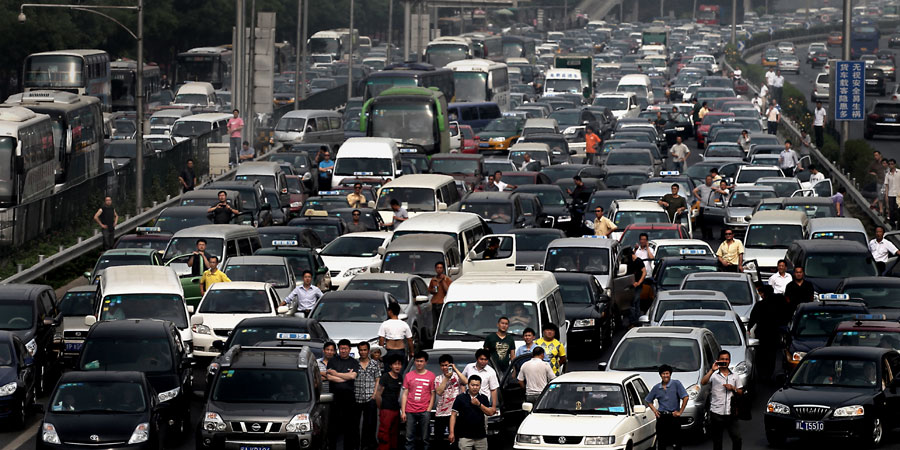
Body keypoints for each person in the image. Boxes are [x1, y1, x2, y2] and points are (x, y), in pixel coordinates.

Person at [701, 350, 744, 450]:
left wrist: (733, 388)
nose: (725, 361)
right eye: (722, 359)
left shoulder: (735, 376)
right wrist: (712, 370)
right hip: (716, 412)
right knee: (717, 441)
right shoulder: (713, 375)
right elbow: (703, 382)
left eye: (727, 359)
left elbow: (741, 391)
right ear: (718, 360)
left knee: (737, 438)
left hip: (731, 413)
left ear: (729, 361)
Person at [748, 285, 790, 383]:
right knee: (771, 355)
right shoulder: (779, 304)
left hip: (762, 334)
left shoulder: (760, 305)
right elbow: (786, 315)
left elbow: (753, 317)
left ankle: (763, 373)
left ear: (764, 294)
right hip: (774, 333)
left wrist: (749, 328)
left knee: (761, 354)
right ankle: (769, 373)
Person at [327, 339, 361, 450]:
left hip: (349, 398)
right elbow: (329, 377)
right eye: (341, 348)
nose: (343, 351)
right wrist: (345, 377)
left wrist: (336, 373)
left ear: (349, 349)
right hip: (335, 397)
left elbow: (353, 376)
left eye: (345, 348)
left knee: (349, 426)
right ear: (338, 349)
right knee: (334, 425)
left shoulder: (354, 362)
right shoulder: (332, 361)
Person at [645, 364, 689, 450]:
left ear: (670, 374)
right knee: (661, 442)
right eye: (663, 374)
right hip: (662, 417)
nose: (665, 375)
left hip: (673, 416)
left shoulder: (676, 384)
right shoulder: (657, 387)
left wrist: (680, 412)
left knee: (676, 442)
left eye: (667, 373)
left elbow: (685, 397)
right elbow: (648, 400)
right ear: (660, 375)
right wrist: (655, 410)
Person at [449, 375, 495, 450]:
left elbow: (489, 413)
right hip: (464, 436)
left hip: (481, 436)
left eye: (477, 385)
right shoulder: (460, 398)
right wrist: (451, 432)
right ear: (468, 385)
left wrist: (479, 404)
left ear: (480, 386)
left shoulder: (483, 398)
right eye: (472, 385)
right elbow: (453, 415)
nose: (475, 387)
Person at [401, 351, 435, 450]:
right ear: (414, 362)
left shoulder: (431, 376)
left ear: (425, 362)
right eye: (417, 361)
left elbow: (433, 394)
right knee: (409, 437)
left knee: (425, 437)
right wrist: (403, 411)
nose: (419, 363)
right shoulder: (408, 376)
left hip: (424, 410)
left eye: (421, 361)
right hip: (410, 410)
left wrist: (429, 409)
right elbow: (405, 394)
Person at [434, 355, 467, 450]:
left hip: (455, 412)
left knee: (455, 438)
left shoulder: (457, 376)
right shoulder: (438, 378)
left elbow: (465, 381)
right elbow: (439, 392)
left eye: (447, 365)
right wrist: (446, 378)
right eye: (442, 365)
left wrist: (455, 369)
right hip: (441, 412)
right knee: (438, 438)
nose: (445, 367)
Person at [354, 341, 382, 450]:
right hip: (357, 397)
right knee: (355, 424)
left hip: (370, 397)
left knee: (370, 423)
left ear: (368, 351)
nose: (363, 352)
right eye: (361, 350)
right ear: (358, 351)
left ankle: (368, 445)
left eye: (365, 350)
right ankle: (357, 445)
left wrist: (375, 394)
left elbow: (377, 379)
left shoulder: (374, 364)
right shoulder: (355, 363)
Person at [375, 354, 404, 450]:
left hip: (396, 409)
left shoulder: (400, 377)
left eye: (399, 364)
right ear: (391, 365)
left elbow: (399, 394)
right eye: (395, 364)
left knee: (394, 433)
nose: (397, 366)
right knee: (384, 433)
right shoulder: (385, 377)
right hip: (386, 409)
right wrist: (381, 408)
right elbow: (378, 394)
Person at [379, 302, 415, 368]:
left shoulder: (385, 324)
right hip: (401, 350)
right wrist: (411, 352)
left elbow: (381, 339)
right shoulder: (404, 324)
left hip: (389, 351)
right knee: (401, 370)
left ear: (390, 311)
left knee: (389, 370)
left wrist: (381, 352)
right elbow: (410, 339)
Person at [624, 247, 646, 327]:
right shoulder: (628, 262)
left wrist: (639, 282)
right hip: (630, 286)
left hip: (637, 286)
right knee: (635, 303)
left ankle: (634, 321)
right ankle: (637, 320)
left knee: (634, 302)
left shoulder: (639, 261)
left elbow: (644, 272)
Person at [693, 175, 717, 240]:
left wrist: (716, 190)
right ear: (705, 180)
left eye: (710, 179)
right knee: (702, 222)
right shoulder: (702, 186)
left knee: (710, 222)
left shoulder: (714, 186)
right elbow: (694, 191)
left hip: (711, 206)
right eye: (708, 179)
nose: (709, 181)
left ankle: (710, 236)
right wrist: (699, 198)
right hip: (703, 206)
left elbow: (721, 189)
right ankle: (704, 235)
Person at [429, 262, 452, 328]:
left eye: (440, 268)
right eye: (437, 268)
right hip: (435, 303)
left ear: (443, 269)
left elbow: (448, 291)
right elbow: (429, 290)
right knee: (435, 321)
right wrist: (433, 290)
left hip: (442, 303)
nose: (439, 269)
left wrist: (442, 281)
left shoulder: (447, 279)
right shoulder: (433, 280)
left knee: (442, 321)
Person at [885, 159, 900, 227]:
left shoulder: (899, 172)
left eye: (892, 164)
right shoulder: (887, 174)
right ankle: (892, 224)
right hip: (891, 194)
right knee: (891, 210)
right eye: (889, 164)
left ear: (894, 164)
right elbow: (887, 186)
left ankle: (898, 224)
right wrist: (886, 195)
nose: (890, 165)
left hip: (898, 194)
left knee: (898, 210)